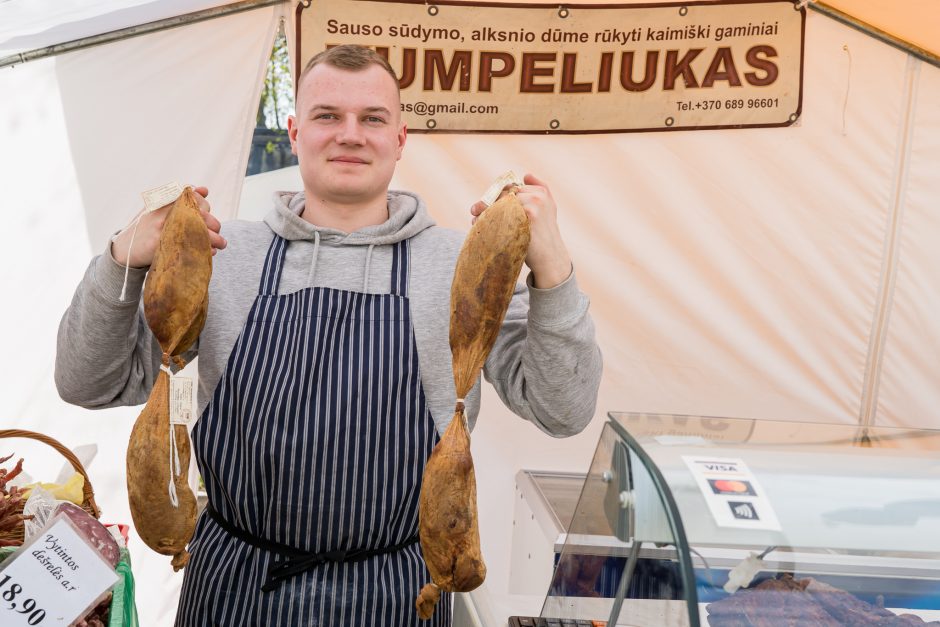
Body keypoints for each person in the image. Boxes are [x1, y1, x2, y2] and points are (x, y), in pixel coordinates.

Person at [56, 44, 602, 626]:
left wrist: (554, 270)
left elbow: (562, 409)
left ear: (400, 139)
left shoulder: (464, 266)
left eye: (372, 119)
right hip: (235, 588)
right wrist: (122, 258)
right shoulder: (221, 255)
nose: (350, 134)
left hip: (396, 594)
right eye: (326, 116)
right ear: (294, 133)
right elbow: (88, 382)